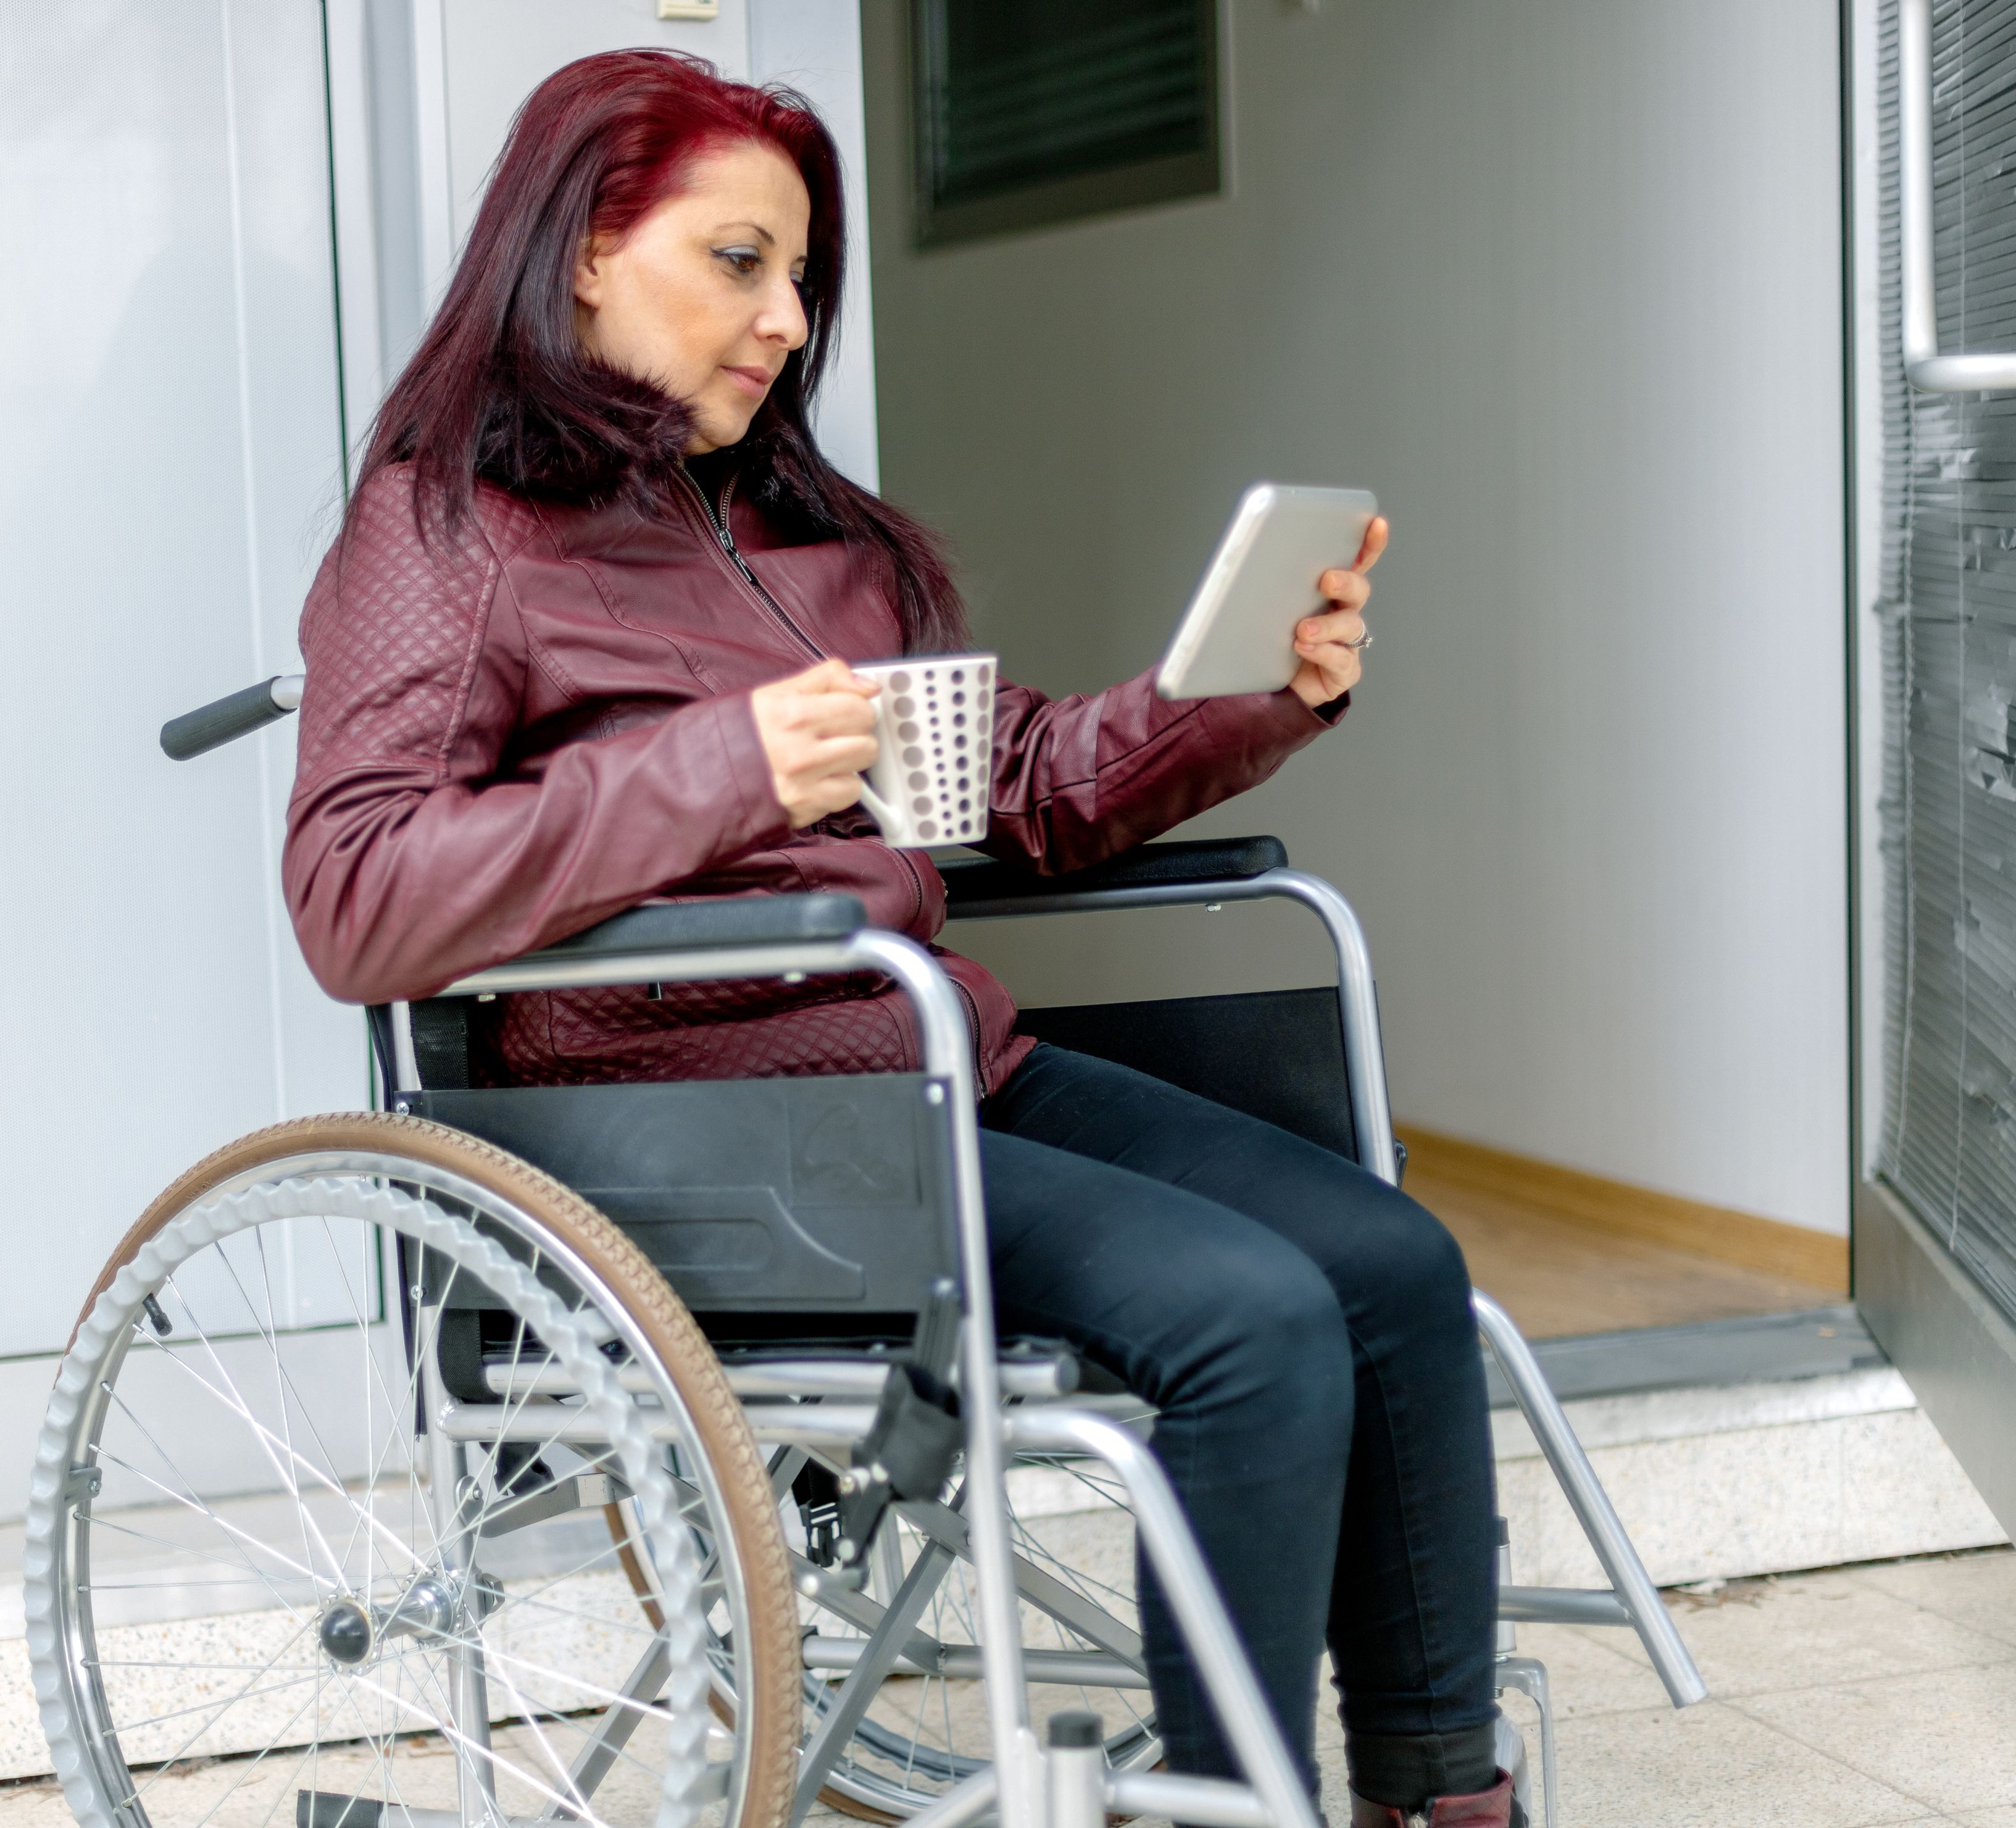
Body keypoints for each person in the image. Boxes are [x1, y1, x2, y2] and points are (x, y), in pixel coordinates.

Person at [283, 49, 1513, 1828]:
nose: (787, 319)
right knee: (1248, 1322)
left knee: (1391, 1267)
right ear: (580, 257)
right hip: (695, 1118)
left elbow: (1013, 784)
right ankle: (1235, 1811)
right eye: (738, 262)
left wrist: (1247, 696)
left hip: (928, 1062)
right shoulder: (451, 531)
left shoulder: (799, 535)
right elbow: (360, 891)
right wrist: (723, 765)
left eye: (801, 277)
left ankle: (1437, 1798)